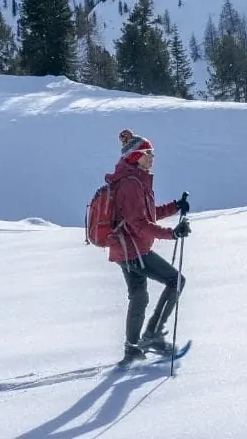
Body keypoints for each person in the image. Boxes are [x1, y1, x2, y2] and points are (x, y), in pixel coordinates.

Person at [105, 129, 190, 365]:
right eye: (148, 153)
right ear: (136, 156)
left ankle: (132, 348)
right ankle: (152, 335)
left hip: (124, 249)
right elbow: (140, 224)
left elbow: (147, 215)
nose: (153, 157)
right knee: (176, 281)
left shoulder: (134, 180)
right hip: (133, 250)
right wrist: (172, 234)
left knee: (139, 296)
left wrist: (175, 206)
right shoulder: (131, 184)